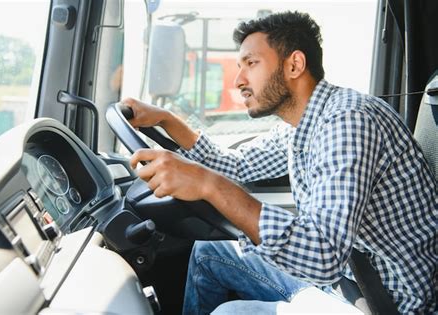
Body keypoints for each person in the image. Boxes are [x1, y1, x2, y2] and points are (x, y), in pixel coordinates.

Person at [125, 11, 437, 314]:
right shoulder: (301, 124)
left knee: (230, 313)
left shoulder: (348, 121)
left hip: (385, 300)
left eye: (251, 63)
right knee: (209, 252)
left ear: (294, 65)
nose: (238, 80)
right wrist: (167, 120)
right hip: (348, 278)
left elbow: (322, 254)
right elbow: (236, 165)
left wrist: (208, 185)